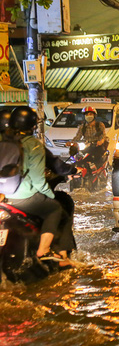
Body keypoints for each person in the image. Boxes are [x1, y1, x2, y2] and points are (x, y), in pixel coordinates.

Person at [3, 107, 75, 267]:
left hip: (4, 197)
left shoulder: (4, 142)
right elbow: (37, 180)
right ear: (32, 126)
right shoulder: (33, 145)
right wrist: (49, 196)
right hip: (22, 197)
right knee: (55, 209)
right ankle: (46, 251)